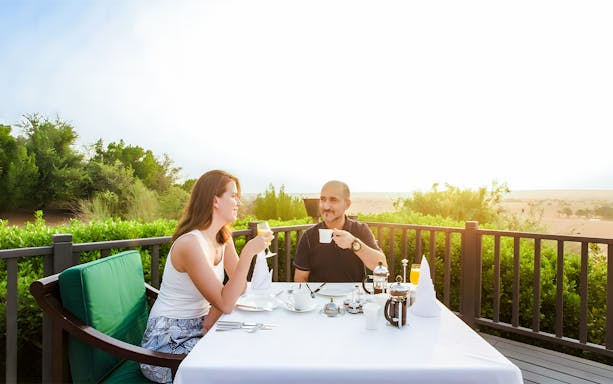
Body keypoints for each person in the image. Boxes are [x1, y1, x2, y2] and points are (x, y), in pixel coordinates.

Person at [140, 170, 273, 383]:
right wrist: (249, 252)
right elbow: (226, 303)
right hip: (166, 345)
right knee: (239, 365)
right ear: (215, 201)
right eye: (233, 195)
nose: (238, 202)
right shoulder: (190, 244)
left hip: (200, 330)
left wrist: (214, 311)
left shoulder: (223, 238)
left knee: (255, 348)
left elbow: (241, 287)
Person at [293, 180, 386, 282]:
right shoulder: (309, 236)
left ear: (347, 204)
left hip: (353, 297)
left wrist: (353, 243)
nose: (326, 206)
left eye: (333, 200)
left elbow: (382, 266)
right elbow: (300, 278)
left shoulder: (360, 230)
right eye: (323, 199)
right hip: (318, 296)